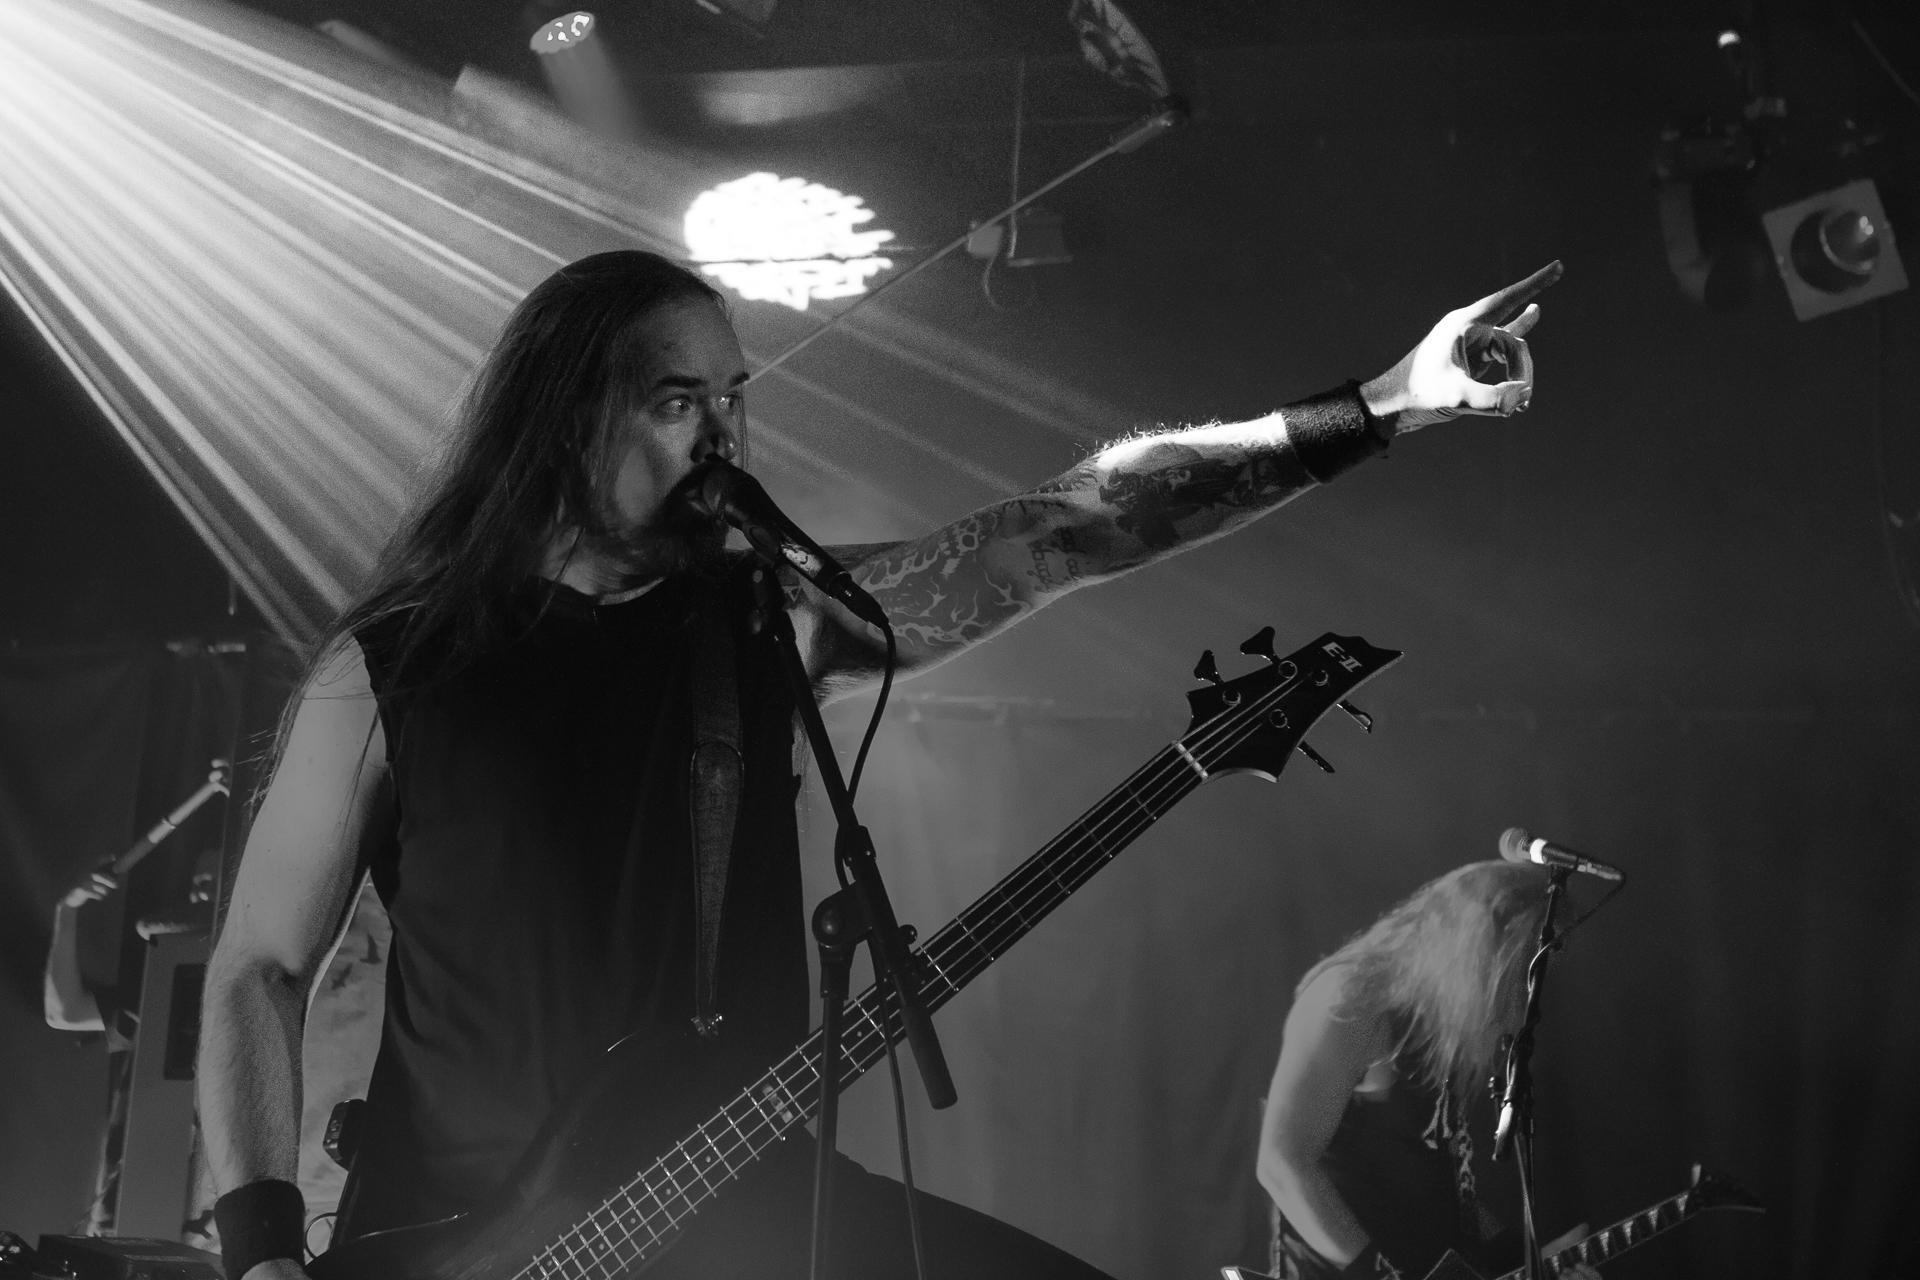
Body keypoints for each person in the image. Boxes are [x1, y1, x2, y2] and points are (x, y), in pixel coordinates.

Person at [197, 249, 1560, 1280]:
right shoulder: (393, 667)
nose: (724, 435)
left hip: (737, 1207)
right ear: (564, 420)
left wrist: (1387, 404)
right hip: (455, 1240)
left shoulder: (761, 622)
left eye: (734, 397)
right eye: (679, 400)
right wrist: (260, 1249)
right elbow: (258, 965)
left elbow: (1066, 530)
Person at [1256, 861, 1600, 1280]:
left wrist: (1527, 1261)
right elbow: (1283, 1163)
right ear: (1483, 951)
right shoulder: (1354, 1001)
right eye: (1522, 966)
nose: (1524, 989)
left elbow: (1447, 1191)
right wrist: (1380, 1274)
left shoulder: (1446, 1025)